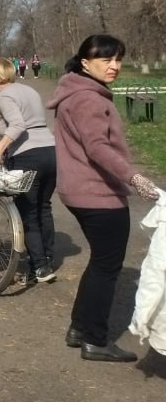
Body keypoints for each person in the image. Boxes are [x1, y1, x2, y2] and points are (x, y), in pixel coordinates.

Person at [47, 35, 159, 362]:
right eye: (105, 60)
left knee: (100, 262)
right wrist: (134, 177)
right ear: (85, 62)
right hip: (97, 193)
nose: (114, 66)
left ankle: (80, 329)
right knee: (107, 266)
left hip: (80, 190)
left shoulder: (76, 91)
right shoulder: (88, 99)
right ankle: (95, 339)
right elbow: (97, 148)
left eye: (118, 59)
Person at [0, 57, 58, 284]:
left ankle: (39, 267)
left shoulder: (3, 96)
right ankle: (46, 259)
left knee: (28, 211)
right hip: (51, 151)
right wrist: (0, 118)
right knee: (43, 207)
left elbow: (18, 125)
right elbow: (29, 118)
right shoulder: (28, 89)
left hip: (28, 155)